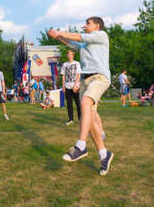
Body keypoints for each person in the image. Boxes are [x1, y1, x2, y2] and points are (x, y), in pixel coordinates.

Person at [48, 16, 114, 176]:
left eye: (88, 23)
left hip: (99, 77)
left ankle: (81, 146)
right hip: (86, 80)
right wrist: (58, 37)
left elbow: (78, 36)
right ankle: (104, 155)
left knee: (84, 103)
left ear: (97, 26)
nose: (85, 26)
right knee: (89, 116)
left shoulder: (101, 35)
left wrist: (59, 31)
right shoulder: (86, 45)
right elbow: (73, 44)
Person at [61, 50, 82, 125]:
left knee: (78, 103)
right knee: (69, 104)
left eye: (71, 54)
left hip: (75, 87)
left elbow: (79, 75)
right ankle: (70, 119)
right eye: (68, 54)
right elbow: (63, 76)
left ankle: (80, 119)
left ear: (73, 55)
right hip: (67, 86)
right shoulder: (64, 64)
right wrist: (63, 86)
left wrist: (75, 85)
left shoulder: (77, 63)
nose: (69, 55)